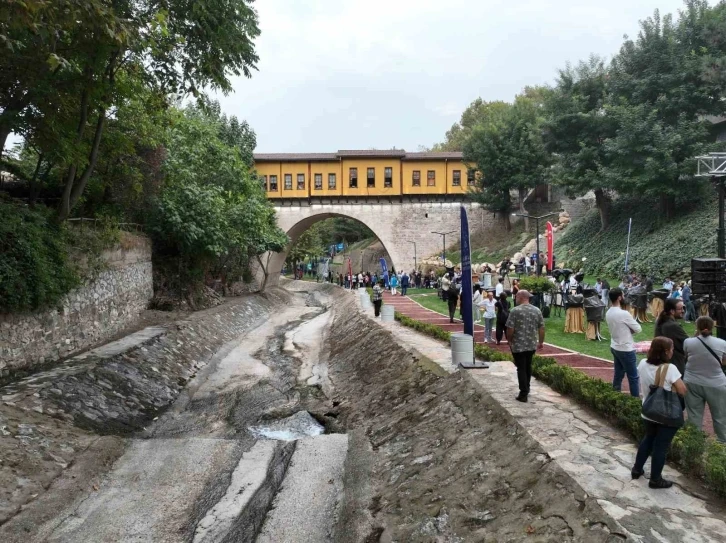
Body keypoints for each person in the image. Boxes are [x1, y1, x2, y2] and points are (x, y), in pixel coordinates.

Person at [631, 336, 686, 489]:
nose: (673, 352)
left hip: (648, 410)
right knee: (661, 447)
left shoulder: (642, 363)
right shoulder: (670, 369)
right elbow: (682, 390)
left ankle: (637, 469)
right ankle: (655, 479)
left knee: (647, 440)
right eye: (672, 349)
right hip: (665, 415)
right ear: (666, 351)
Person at [684, 316, 726, 442]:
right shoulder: (722, 343)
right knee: (720, 416)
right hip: (716, 383)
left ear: (697, 327)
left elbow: (687, 356)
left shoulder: (688, 342)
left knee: (693, 416)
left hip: (692, 381)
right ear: (712, 327)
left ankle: (694, 443)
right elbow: (724, 362)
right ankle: (722, 443)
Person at [505, 290, 545, 402]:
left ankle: (523, 393)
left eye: (516, 296)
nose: (515, 298)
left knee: (521, 368)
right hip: (531, 344)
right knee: (528, 366)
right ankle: (527, 388)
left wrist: (509, 340)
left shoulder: (515, 311)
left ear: (521, 297)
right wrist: (541, 342)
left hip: (518, 345)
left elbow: (510, 328)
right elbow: (541, 328)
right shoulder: (537, 310)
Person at [605, 288, 642, 397]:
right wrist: (629, 330)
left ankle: (615, 395)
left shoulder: (608, 312)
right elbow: (638, 329)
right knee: (633, 377)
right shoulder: (623, 313)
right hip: (626, 348)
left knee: (618, 374)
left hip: (615, 346)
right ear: (619, 297)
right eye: (622, 295)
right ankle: (634, 401)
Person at [654, 298, 688, 376]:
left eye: (683, 308)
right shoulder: (672, 325)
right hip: (675, 362)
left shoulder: (661, 320)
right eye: (680, 309)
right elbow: (688, 342)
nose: (683, 311)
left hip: (664, 360)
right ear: (672, 311)